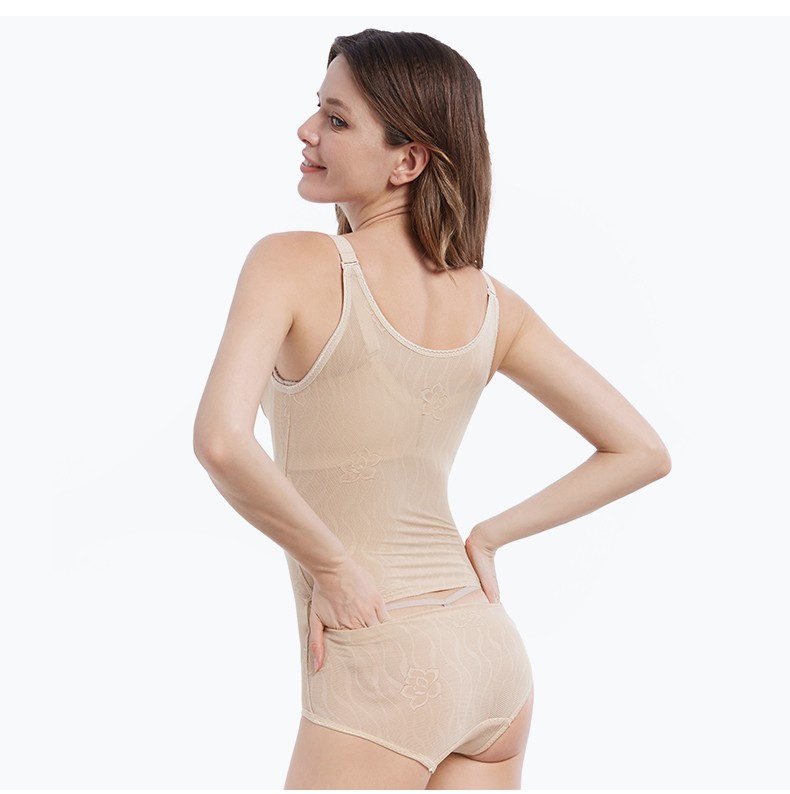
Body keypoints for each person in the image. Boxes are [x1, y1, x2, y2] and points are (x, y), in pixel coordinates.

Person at [192, 28, 671, 790]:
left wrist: (334, 567)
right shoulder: (491, 303)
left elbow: (221, 441)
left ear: (408, 161)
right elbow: (641, 450)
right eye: (318, 109)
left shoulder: (289, 263)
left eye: (337, 119)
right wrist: (488, 538)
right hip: (489, 659)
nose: (307, 131)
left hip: (380, 658)